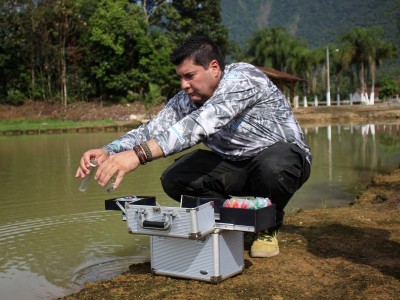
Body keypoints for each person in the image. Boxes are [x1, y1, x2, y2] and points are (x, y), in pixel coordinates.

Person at [75, 36, 311, 258]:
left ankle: (268, 224)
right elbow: (152, 130)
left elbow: (199, 124)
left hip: (282, 161)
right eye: (180, 77)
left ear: (214, 68)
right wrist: (110, 150)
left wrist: (138, 155)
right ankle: (234, 220)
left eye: (190, 76)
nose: (184, 85)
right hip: (235, 167)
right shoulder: (185, 100)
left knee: (273, 166)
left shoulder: (243, 78)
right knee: (176, 178)